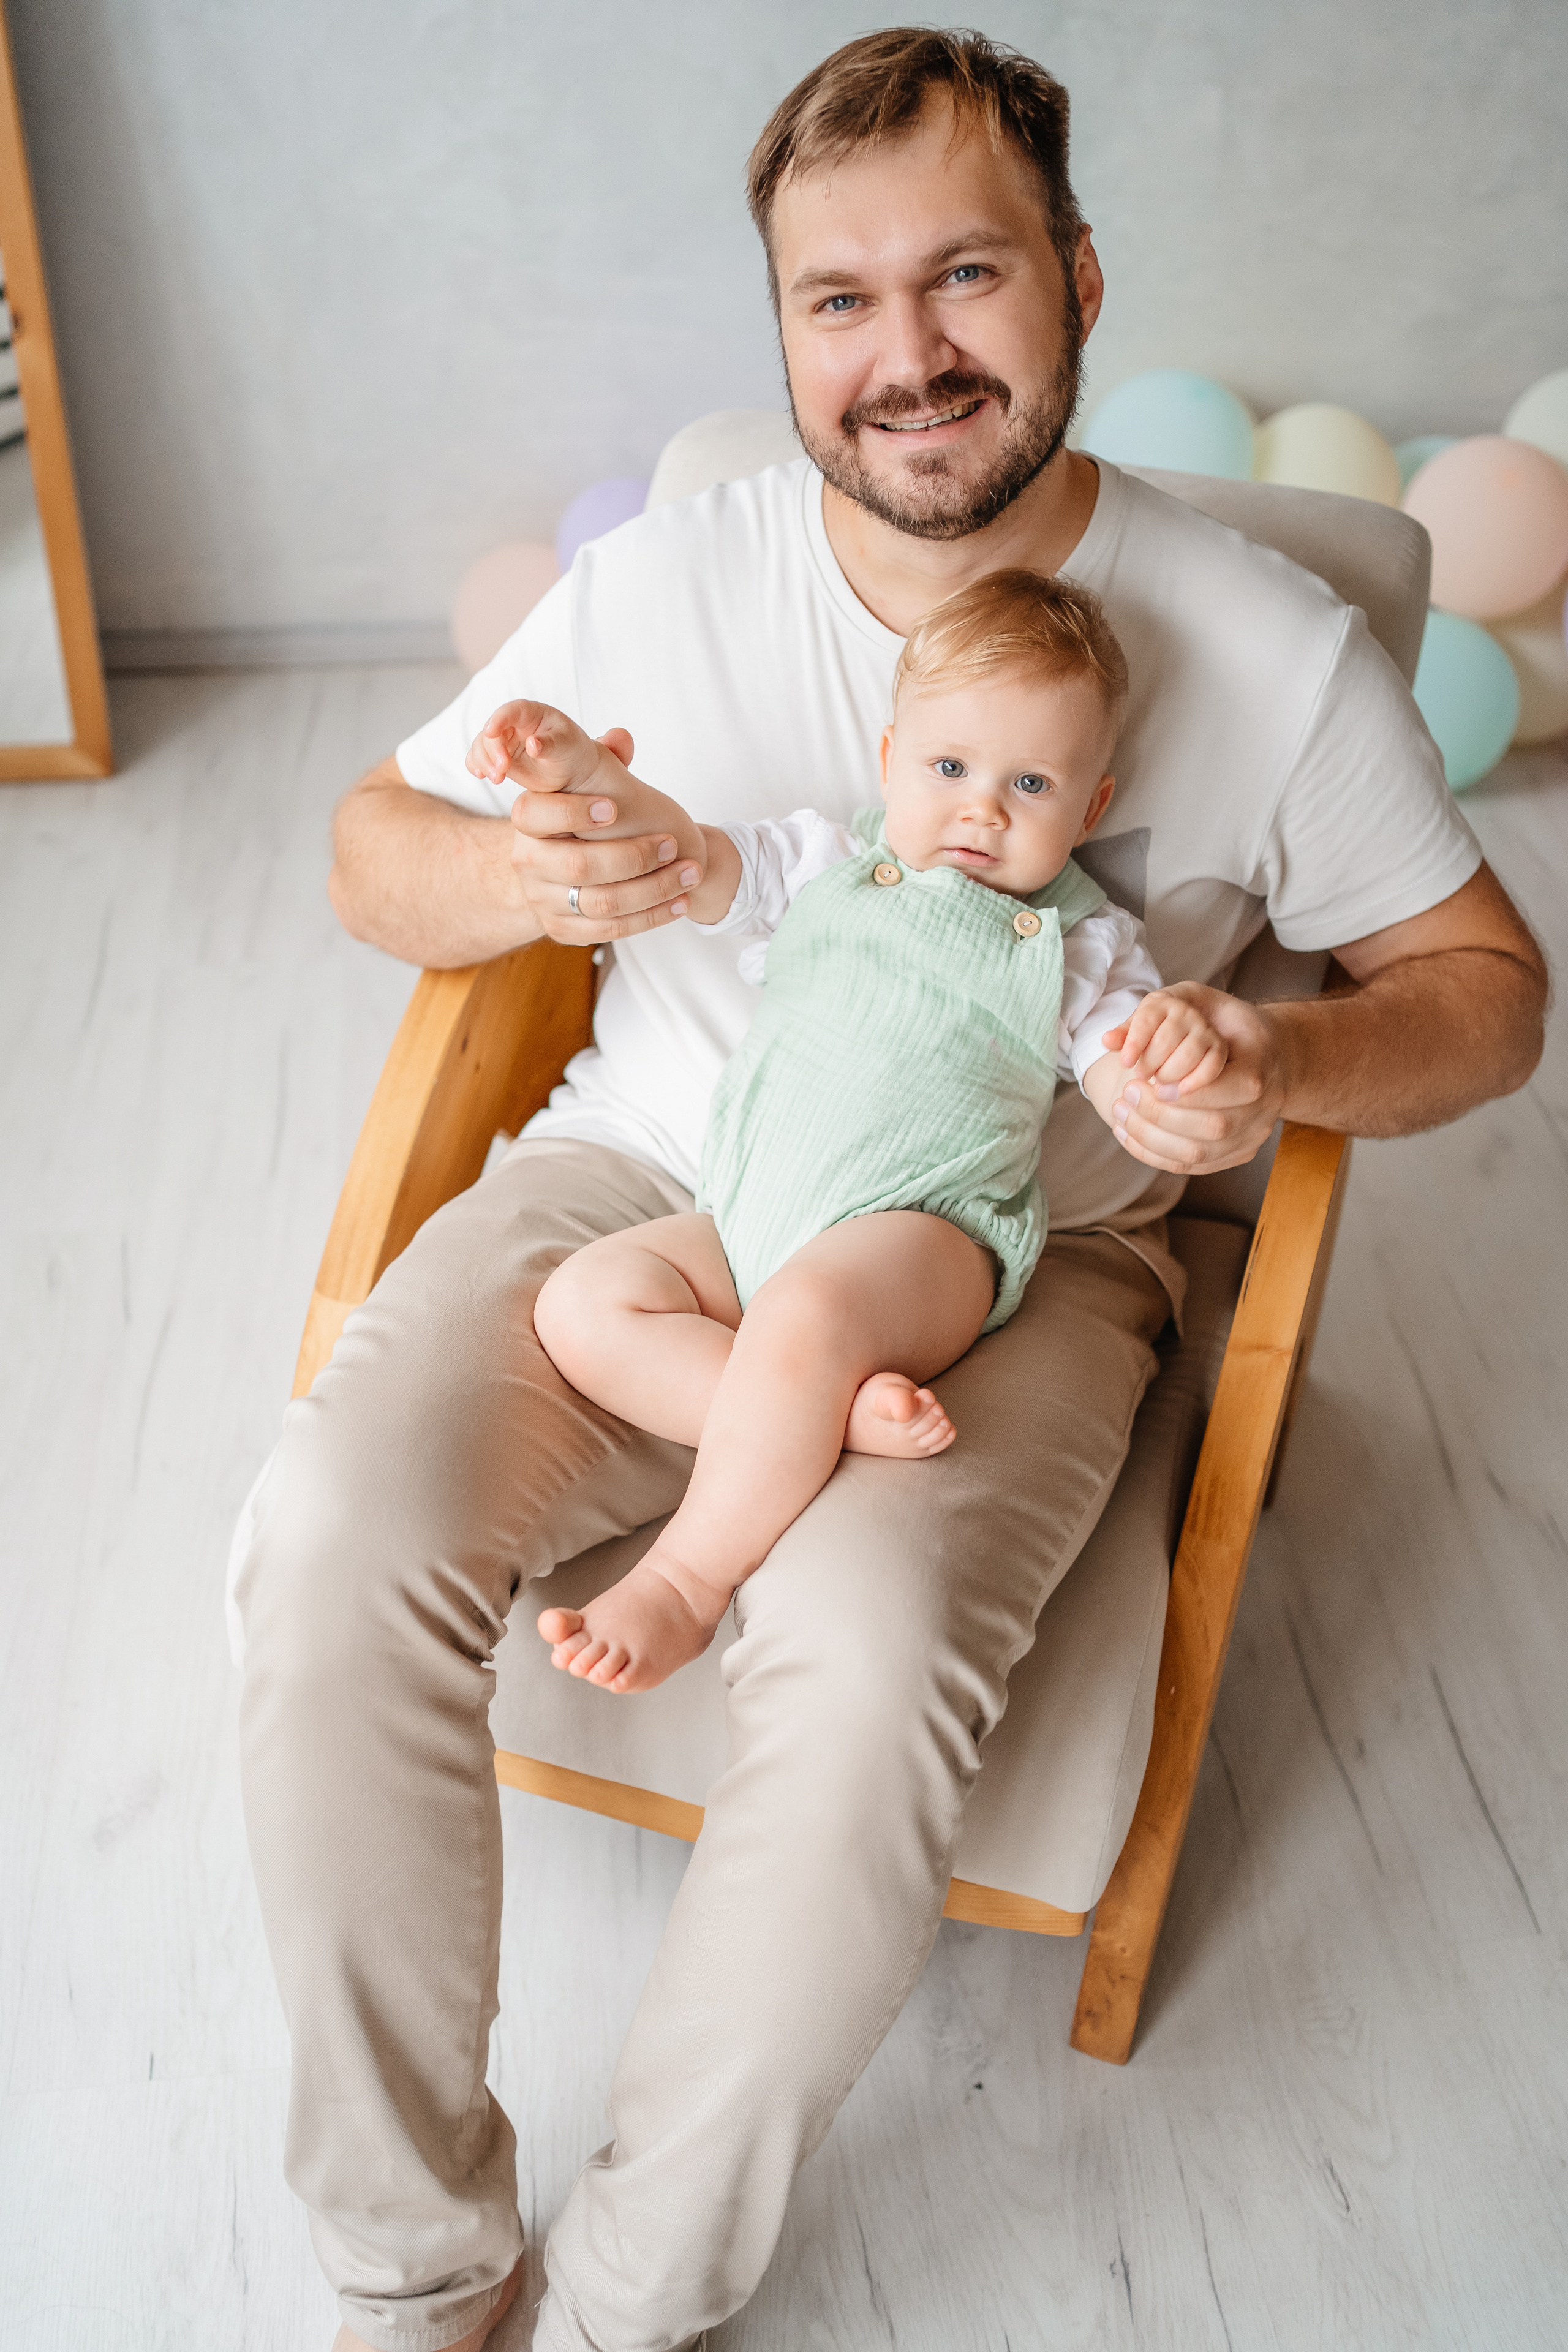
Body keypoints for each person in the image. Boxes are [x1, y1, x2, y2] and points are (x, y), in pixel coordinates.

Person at [235, 26, 1547, 2352]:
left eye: (968, 276)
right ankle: (416, 2273)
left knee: (855, 1693)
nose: (906, 354)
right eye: (838, 299)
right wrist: (530, 871)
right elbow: (371, 848)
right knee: (330, 1535)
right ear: (782, 328)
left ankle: (630, 2301)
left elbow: (1487, 992)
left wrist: (1279, 1058)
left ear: (1080, 279)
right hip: (658, 1172)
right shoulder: (678, 583)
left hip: (1004, 1257)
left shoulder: (1266, 649)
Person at [464, 571, 1229, 1696]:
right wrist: (585, 777)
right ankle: (820, 1410)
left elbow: (1122, 1064)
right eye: (950, 768)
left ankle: (686, 1580)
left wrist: (1161, 1078)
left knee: (811, 1313)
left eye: (1030, 784)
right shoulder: (821, 865)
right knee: (583, 1304)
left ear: (1091, 807)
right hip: (748, 1216)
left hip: (925, 1238)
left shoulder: (1081, 944)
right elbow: (681, 854)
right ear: (889, 762)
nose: (983, 810)